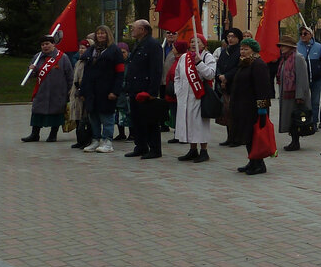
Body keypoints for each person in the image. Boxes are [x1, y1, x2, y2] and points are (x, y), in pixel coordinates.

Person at [228, 37, 274, 175]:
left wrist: (262, 108)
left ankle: (259, 164)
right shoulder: (244, 63)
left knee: (254, 135)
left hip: (253, 108)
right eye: (241, 49)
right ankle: (252, 161)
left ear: (253, 50)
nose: (242, 51)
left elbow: (263, 88)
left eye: (246, 49)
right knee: (247, 135)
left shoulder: (258, 64)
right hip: (242, 106)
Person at [78, 25, 123, 153]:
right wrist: (83, 91)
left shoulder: (114, 51)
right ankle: (95, 140)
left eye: (103, 33)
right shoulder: (91, 51)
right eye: (98, 33)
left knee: (107, 117)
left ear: (108, 35)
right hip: (92, 91)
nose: (101, 35)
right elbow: (86, 73)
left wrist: (115, 91)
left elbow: (120, 73)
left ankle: (107, 141)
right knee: (94, 116)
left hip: (107, 90)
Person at [172, 36, 217, 163]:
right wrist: (178, 91)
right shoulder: (184, 57)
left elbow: (210, 74)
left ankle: (204, 151)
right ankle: (192, 149)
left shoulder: (207, 57)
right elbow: (177, 76)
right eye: (192, 41)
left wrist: (199, 63)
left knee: (200, 124)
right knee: (188, 123)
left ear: (203, 45)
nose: (193, 44)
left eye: (197, 42)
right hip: (185, 96)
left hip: (200, 96)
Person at [123, 20, 164, 160]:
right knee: (137, 120)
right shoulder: (138, 44)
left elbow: (156, 70)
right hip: (135, 89)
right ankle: (140, 146)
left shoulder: (153, 45)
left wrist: (152, 92)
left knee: (150, 121)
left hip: (145, 90)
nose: (132, 30)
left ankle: (155, 149)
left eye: (134, 28)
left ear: (143, 30)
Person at [22, 36, 72, 142]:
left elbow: (69, 76)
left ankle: (53, 135)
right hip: (42, 90)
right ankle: (35, 134)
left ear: (53, 44)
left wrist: (70, 91)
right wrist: (31, 70)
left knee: (56, 112)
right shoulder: (37, 57)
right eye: (43, 44)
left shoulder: (63, 57)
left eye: (47, 44)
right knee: (37, 111)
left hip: (58, 92)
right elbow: (31, 75)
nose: (45, 46)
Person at [276, 34, 311, 152]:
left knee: (295, 118)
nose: (281, 48)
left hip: (295, 95)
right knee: (290, 117)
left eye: (284, 46)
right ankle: (293, 140)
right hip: (287, 94)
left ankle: (295, 141)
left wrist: (300, 96)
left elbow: (302, 78)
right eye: (281, 46)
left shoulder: (298, 58)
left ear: (290, 47)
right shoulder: (285, 59)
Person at [215, 28, 243, 147]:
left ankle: (237, 138)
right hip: (224, 85)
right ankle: (229, 136)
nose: (230, 39)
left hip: (235, 85)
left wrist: (226, 76)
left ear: (238, 38)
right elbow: (219, 65)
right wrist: (220, 76)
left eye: (233, 36)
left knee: (235, 112)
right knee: (227, 111)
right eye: (229, 37)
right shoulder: (224, 51)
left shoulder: (240, 51)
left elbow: (239, 67)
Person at [297, 25, 321, 121]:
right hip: (302, 80)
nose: (303, 35)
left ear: (311, 35)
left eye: (305, 33)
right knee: (303, 101)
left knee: (315, 101)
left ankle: (314, 122)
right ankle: (304, 120)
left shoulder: (318, 46)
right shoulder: (297, 47)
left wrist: (319, 68)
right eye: (301, 34)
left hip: (316, 79)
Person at [68, 37, 92, 149]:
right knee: (78, 118)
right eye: (80, 48)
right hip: (76, 93)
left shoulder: (89, 62)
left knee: (85, 119)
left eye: (84, 48)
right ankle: (80, 140)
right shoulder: (78, 62)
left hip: (84, 93)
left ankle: (87, 139)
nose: (81, 50)